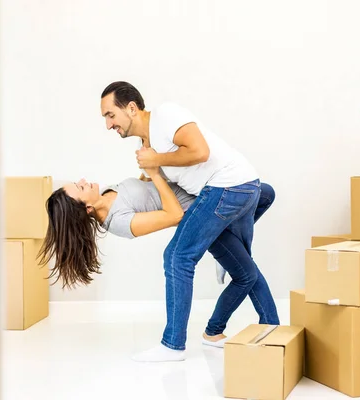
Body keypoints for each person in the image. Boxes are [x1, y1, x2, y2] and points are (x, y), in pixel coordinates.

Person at [100, 81, 279, 362]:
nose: (108, 125)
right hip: (245, 187)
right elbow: (165, 177)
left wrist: (155, 160)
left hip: (226, 188)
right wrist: (152, 170)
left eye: (110, 115)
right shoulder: (145, 143)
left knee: (177, 256)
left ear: (132, 108)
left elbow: (200, 151)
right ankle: (274, 331)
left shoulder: (165, 116)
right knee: (245, 268)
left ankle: (172, 345)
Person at [38, 169, 279, 358]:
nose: (83, 180)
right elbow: (174, 214)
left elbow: (147, 189)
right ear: (87, 208)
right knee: (247, 273)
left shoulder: (107, 191)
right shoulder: (119, 222)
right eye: (80, 187)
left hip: (212, 198)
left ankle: (218, 316)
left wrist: (150, 166)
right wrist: (154, 172)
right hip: (201, 217)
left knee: (264, 192)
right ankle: (270, 330)